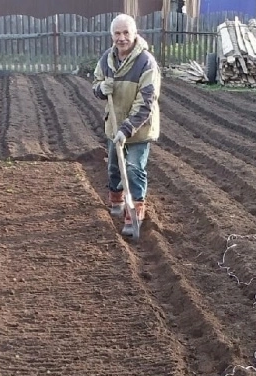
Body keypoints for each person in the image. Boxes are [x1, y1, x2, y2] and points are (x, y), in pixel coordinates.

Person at [92, 13, 161, 236]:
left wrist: (126, 129)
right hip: (114, 124)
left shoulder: (146, 62)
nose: (121, 38)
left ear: (134, 34)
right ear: (112, 35)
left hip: (139, 128)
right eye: (117, 33)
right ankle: (116, 199)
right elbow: (96, 83)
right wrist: (101, 89)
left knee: (133, 168)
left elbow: (146, 101)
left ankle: (136, 210)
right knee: (114, 167)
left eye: (125, 33)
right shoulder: (107, 59)